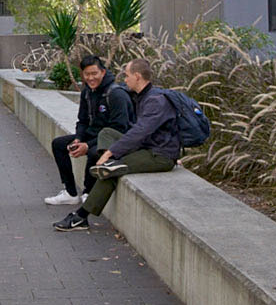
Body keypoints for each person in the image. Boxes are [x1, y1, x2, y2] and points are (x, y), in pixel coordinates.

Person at [53, 58, 181, 231]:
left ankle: (80, 217)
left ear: (137, 76)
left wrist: (109, 153)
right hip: (147, 147)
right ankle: (99, 170)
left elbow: (139, 132)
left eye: (127, 76)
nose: (124, 79)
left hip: (159, 155)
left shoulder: (154, 100)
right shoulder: (142, 96)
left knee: (111, 170)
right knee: (106, 133)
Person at [44, 55, 133, 206]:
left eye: (94, 74)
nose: (91, 78)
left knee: (93, 151)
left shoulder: (116, 94)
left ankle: (88, 193)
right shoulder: (87, 91)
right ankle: (70, 193)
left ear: (103, 72)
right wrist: (78, 139)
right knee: (59, 144)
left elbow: (119, 128)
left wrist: (87, 145)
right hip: (92, 135)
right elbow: (83, 121)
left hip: (114, 139)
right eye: (87, 75)